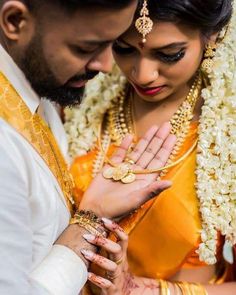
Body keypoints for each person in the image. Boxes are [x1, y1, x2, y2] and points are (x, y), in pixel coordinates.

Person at [0, 0, 177, 294]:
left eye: (115, 43)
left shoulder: (36, 81)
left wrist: (94, 217)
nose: (106, 67)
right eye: (85, 48)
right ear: (15, 21)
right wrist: (89, 224)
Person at [65, 0, 236, 293]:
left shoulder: (227, 133)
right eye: (123, 48)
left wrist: (144, 290)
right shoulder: (78, 104)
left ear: (212, 36)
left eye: (169, 54)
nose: (142, 74)